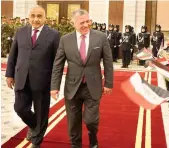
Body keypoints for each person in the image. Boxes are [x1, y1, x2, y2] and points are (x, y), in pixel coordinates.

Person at [50, 9, 113, 148]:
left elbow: (108, 62)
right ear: (73, 24)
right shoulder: (65, 39)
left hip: (93, 86)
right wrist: (54, 87)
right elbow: (58, 64)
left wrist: (109, 83)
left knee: (91, 120)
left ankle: (93, 139)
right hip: (72, 87)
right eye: (82, 22)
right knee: (73, 122)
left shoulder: (100, 37)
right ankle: (75, 145)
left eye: (88, 21)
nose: (86, 25)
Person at [5, 5, 60, 148]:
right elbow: (13, 54)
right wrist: (9, 74)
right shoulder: (20, 32)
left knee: (41, 112)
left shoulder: (54, 35)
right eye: (33, 16)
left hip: (42, 81)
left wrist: (55, 84)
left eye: (39, 16)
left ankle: (36, 141)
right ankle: (35, 126)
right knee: (20, 108)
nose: (36, 19)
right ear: (29, 17)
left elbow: (57, 61)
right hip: (21, 78)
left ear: (45, 18)